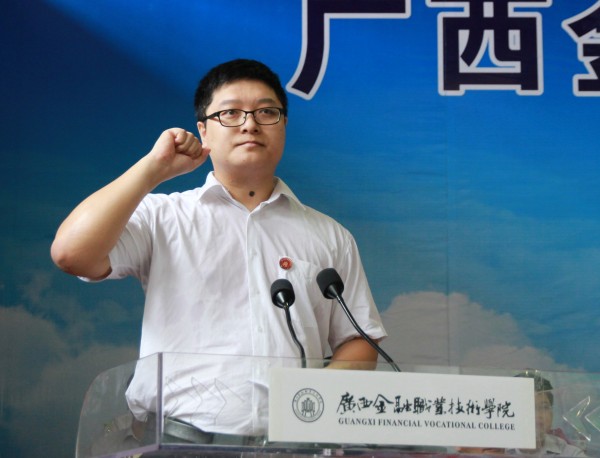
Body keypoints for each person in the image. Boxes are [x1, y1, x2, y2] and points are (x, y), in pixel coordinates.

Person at [51, 59, 387, 439]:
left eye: (267, 112)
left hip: (291, 443)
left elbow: (359, 340)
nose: (250, 124)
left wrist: (308, 402)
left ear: (284, 124)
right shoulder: (164, 217)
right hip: (175, 443)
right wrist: (153, 169)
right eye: (230, 113)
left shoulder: (330, 235)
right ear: (203, 129)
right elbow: (71, 254)